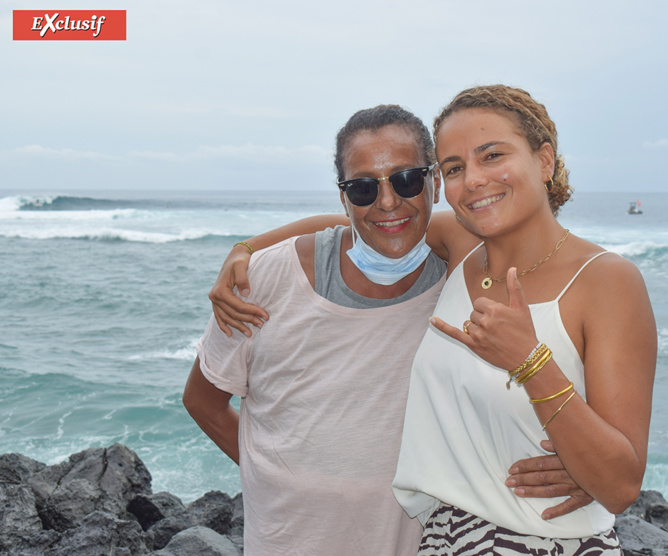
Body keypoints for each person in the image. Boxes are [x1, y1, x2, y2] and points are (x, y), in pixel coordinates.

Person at [186, 103, 587, 555]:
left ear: (434, 183)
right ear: (343, 196)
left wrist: (583, 470)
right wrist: (277, 477)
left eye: (407, 179)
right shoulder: (261, 280)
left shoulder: (461, 271)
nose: (388, 200)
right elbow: (203, 401)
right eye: (362, 188)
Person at [390, 85, 657, 554]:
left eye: (492, 155)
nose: (473, 180)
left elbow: (620, 485)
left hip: (548, 542)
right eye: (454, 168)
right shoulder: (461, 246)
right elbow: (365, 224)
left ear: (544, 161)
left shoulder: (606, 281)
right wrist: (253, 248)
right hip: (445, 538)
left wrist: (531, 362)